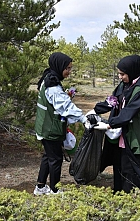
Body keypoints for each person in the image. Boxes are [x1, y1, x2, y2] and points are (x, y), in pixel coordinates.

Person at [92, 54, 140, 193]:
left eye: (123, 74)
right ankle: (118, 193)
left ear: (132, 71)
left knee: (131, 167)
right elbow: (113, 100)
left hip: (134, 134)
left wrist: (109, 124)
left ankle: (131, 198)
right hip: (121, 133)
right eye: (119, 74)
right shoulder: (125, 85)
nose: (120, 77)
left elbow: (128, 112)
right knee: (119, 163)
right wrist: (96, 110)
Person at [34, 52, 91, 195]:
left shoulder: (48, 78)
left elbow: (55, 101)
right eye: (67, 68)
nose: (69, 72)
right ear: (59, 66)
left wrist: (65, 95)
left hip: (45, 126)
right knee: (56, 160)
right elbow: (65, 106)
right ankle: (55, 190)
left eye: (70, 68)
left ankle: (40, 187)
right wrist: (83, 119)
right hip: (50, 128)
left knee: (48, 156)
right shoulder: (52, 85)